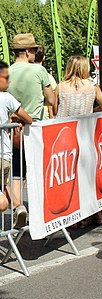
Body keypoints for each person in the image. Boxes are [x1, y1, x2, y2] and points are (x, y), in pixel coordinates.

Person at [8, 33, 56, 226]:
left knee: (17, 173)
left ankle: (19, 208)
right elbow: (52, 99)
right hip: (35, 128)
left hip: (12, 129)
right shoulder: (39, 71)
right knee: (39, 171)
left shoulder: (7, 71)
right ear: (28, 51)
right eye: (34, 50)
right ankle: (41, 215)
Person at [56, 55, 102, 227]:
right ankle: (97, 215)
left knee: (68, 179)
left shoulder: (60, 87)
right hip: (86, 135)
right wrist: (91, 110)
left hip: (64, 137)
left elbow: (56, 110)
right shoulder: (93, 87)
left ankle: (73, 219)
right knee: (88, 176)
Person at [0, 61, 32, 220]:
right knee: (3, 185)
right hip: (5, 155)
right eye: (6, 78)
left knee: (2, 200)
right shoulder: (7, 98)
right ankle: (19, 208)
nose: (9, 81)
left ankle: (6, 204)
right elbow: (29, 118)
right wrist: (12, 119)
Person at [34, 45, 57, 118]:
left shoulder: (25, 75)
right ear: (44, 57)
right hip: (43, 117)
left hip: (26, 116)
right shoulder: (48, 77)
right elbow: (51, 100)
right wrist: (52, 116)